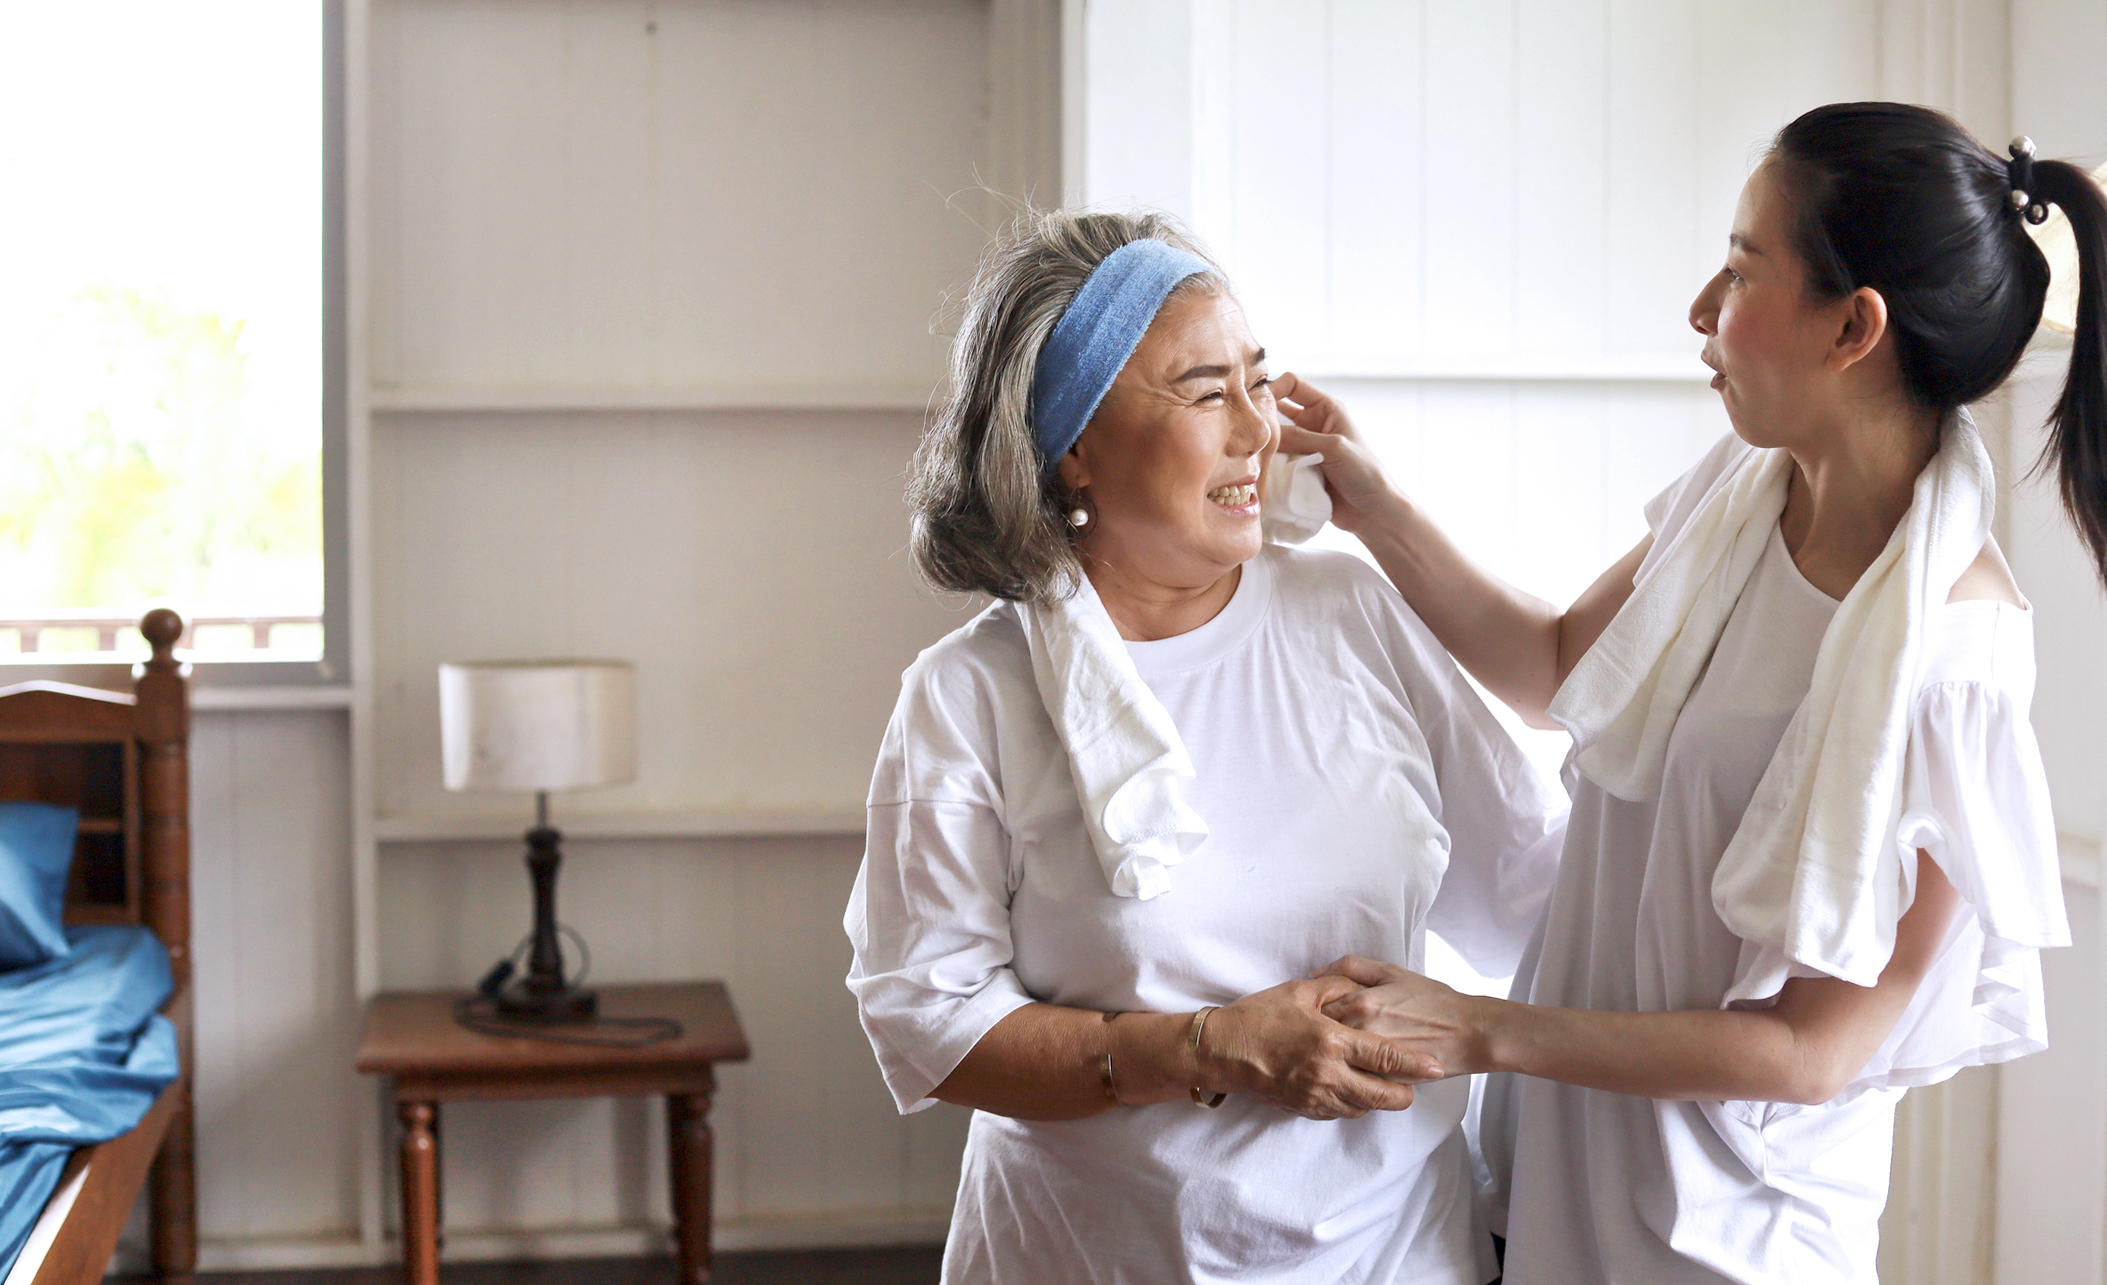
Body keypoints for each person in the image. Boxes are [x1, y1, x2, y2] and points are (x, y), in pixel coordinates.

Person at [1278, 102, 2104, 1283]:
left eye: (1736, 268)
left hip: (1736, 1238)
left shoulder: (1955, 657)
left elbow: (1816, 1052)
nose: (1699, 311)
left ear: (1852, 327)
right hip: (1566, 1183)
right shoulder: (1738, 496)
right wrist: (1375, 509)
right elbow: (1556, 668)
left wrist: (1479, 1027)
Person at [842, 209, 1565, 1283]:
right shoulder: (969, 695)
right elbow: (930, 1018)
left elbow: (1534, 898)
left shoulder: (1353, 613)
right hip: (1093, 1256)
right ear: (1074, 445)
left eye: (1258, 380)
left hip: (1397, 1251)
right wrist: (1209, 1049)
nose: (1259, 430)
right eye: (1203, 391)